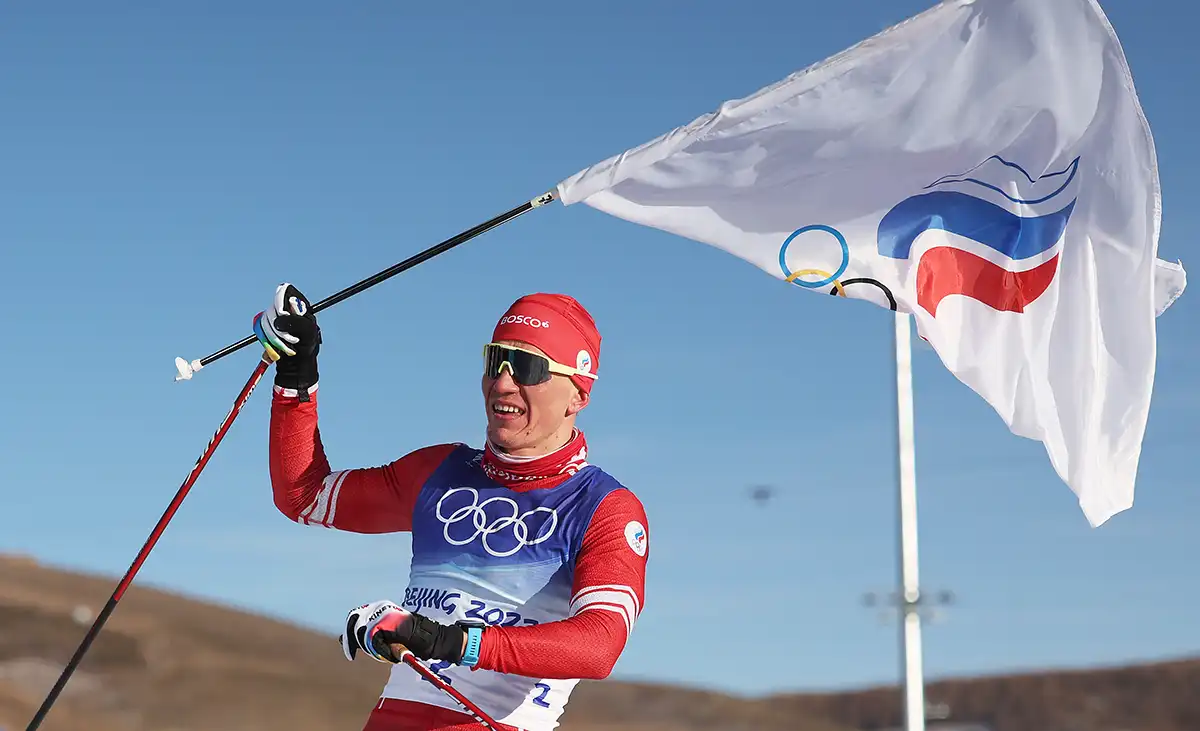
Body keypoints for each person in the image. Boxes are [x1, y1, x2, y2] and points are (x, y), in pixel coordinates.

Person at [253, 284, 650, 731]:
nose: (502, 382)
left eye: (528, 367)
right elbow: (305, 497)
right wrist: (296, 374)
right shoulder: (440, 471)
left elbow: (599, 646)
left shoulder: (603, 508)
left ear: (579, 393)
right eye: (494, 360)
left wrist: (448, 641)